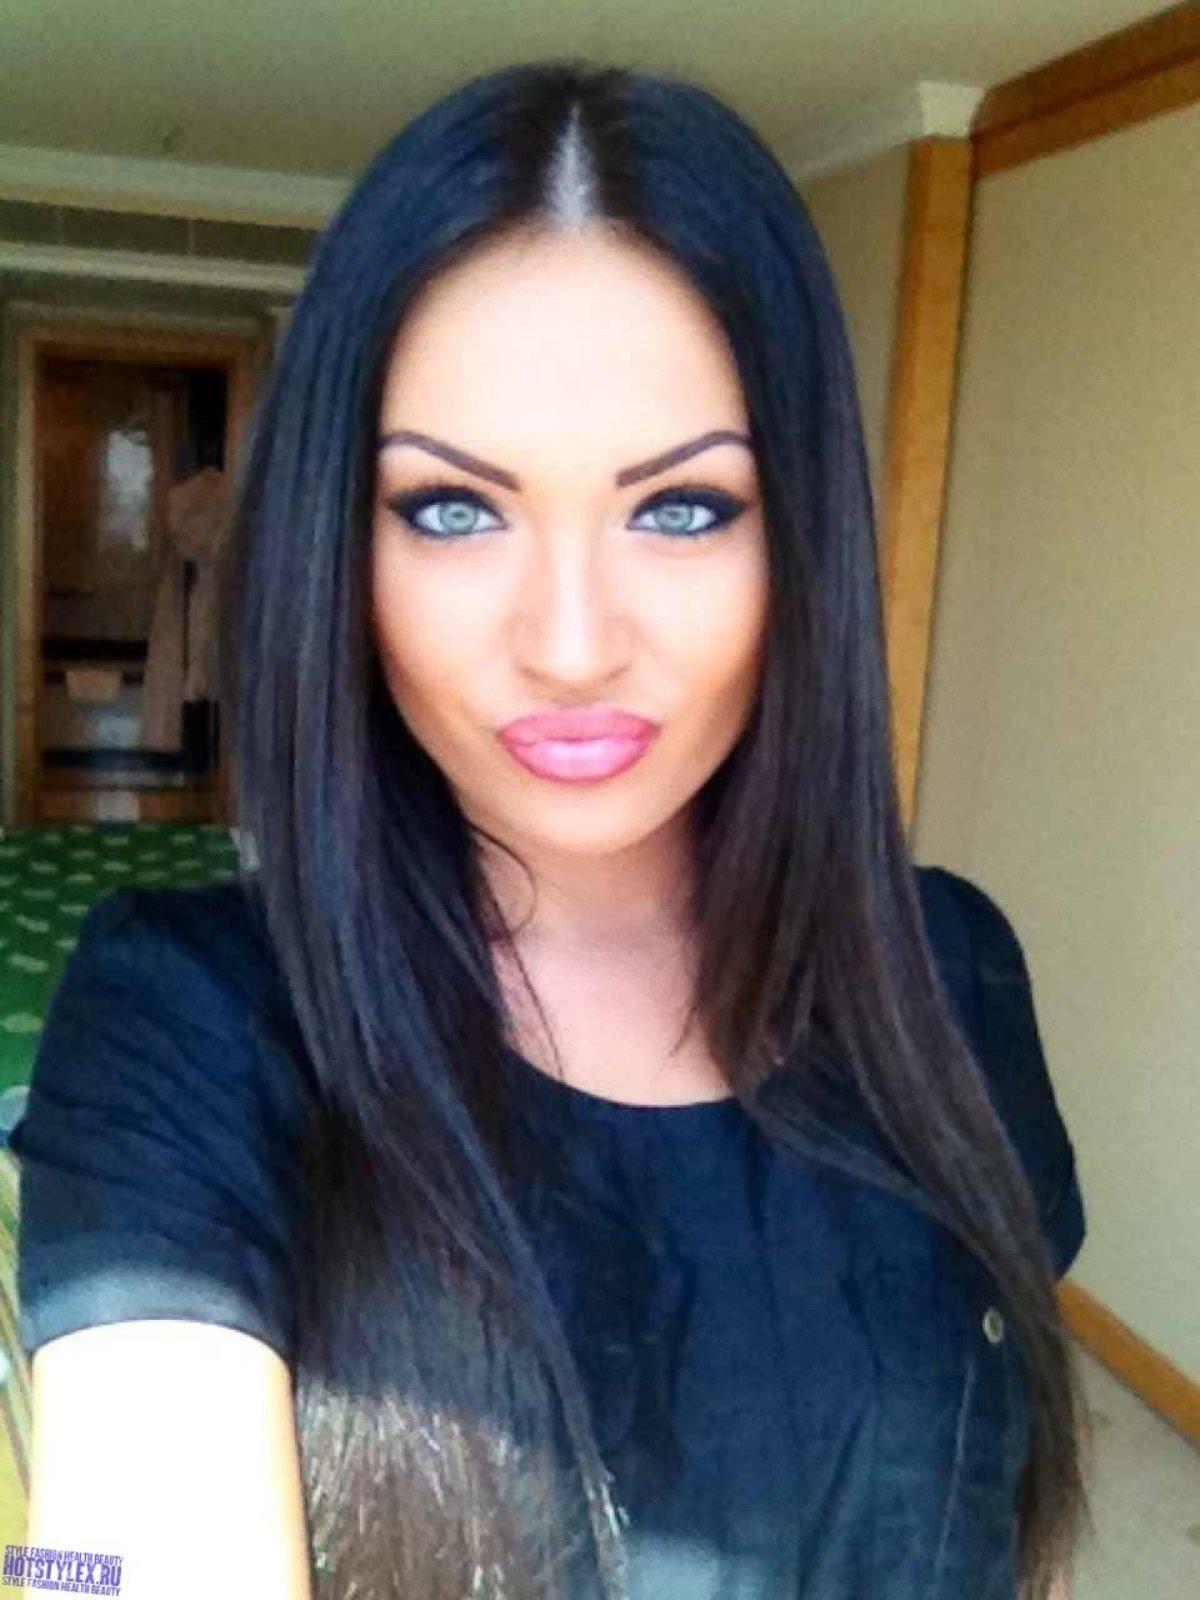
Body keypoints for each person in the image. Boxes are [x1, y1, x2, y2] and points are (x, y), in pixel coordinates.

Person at [10, 59, 1090, 1600]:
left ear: (801, 541)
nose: (573, 644)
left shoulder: (954, 974)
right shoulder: (182, 1019)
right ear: (340, 547)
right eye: (453, 509)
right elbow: (105, 1563)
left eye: (682, 508)